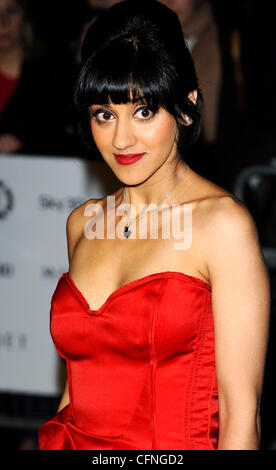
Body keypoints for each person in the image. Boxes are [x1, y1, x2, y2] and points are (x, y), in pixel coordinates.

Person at [38, 0, 270, 450]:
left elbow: (243, 419)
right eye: (104, 114)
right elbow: (77, 387)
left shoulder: (222, 226)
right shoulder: (83, 224)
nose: (122, 139)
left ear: (186, 106)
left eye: (143, 111)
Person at [0, 0, 59, 155]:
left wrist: (25, 142)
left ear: (24, 16)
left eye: (11, 11)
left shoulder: (51, 73)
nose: (3, 22)